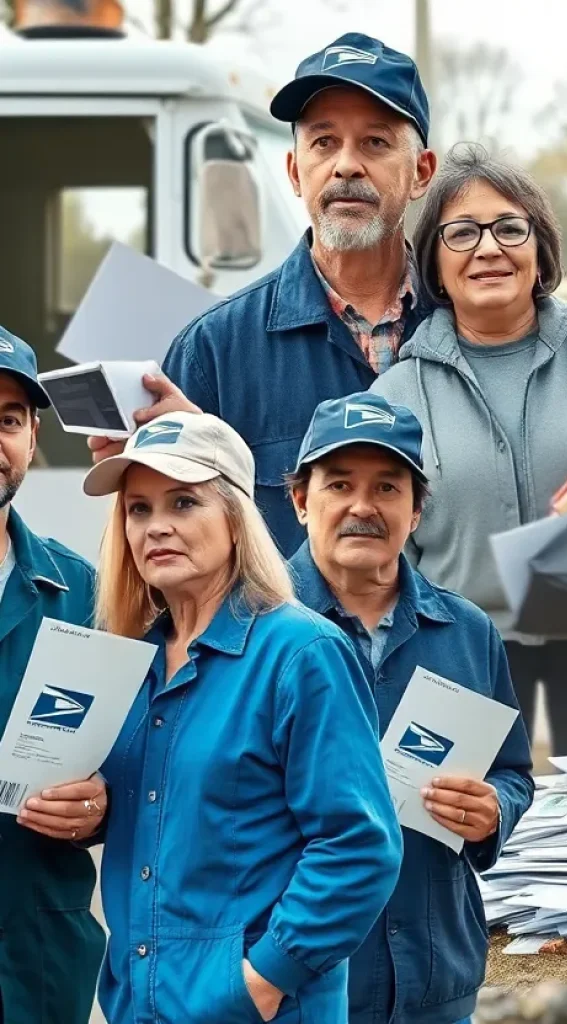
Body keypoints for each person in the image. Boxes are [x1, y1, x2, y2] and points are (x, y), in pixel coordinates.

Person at [28, 411, 403, 1024]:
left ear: (234, 516)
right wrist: (91, 813)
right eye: (139, 509)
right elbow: (164, 811)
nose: (157, 528)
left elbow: (359, 845)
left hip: (255, 1009)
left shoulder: (300, 654)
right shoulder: (131, 661)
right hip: (139, 1002)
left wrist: (263, 978)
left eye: (183, 503)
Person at [371, 146, 567, 757]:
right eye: (462, 233)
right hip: (460, 648)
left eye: (509, 228)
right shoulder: (397, 392)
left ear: (539, 248)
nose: (489, 248)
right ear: (435, 266)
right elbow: (389, 536)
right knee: (465, 827)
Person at [88, 32, 438, 555]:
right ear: (296, 173)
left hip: (452, 638)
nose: (346, 165)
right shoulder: (214, 351)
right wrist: (191, 460)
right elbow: (163, 560)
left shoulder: (467, 326)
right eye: (323, 142)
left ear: (421, 173)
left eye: (375, 142)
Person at [287, 393, 534, 1024]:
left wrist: (492, 811)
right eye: (339, 484)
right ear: (299, 500)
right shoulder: (254, 628)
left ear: (417, 509)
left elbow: (512, 772)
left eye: (388, 488)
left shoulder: (466, 632)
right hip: (299, 981)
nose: (362, 507)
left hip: (434, 978)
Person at [0, 327, 105, 1023]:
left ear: (32, 437)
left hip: (38, 954)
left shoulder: (78, 591)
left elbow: (129, 763)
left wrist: (100, 805)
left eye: (7, 420)